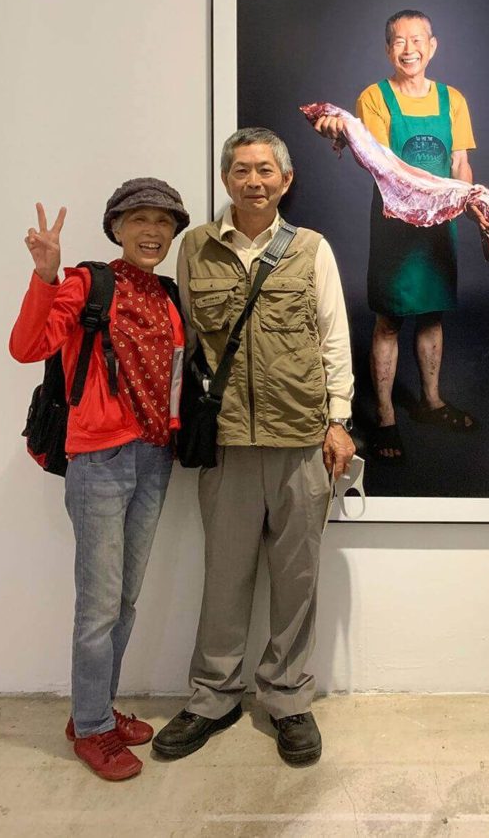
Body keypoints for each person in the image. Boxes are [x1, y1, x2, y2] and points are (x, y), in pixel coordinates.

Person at [153, 127, 354, 766]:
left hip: (302, 439)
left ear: (285, 180)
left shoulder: (312, 249)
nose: (254, 181)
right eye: (241, 170)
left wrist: (339, 419)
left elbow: (333, 337)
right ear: (226, 179)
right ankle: (213, 697)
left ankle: (288, 699)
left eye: (266, 170)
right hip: (227, 442)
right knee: (224, 577)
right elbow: (185, 345)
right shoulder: (195, 248)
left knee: (297, 579)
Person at [9, 179, 189, 781]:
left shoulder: (167, 295)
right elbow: (27, 346)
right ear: (116, 228)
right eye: (139, 219)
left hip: (154, 458)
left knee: (125, 600)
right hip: (99, 462)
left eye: (163, 221)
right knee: (98, 607)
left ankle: (96, 711)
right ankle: (91, 729)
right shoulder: (89, 283)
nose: (152, 231)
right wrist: (45, 276)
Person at [314, 9, 477, 463]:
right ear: (389, 50)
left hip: (440, 224)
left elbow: (460, 162)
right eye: (400, 41)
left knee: (432, 315)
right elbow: (384, 163)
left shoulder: (453, 99)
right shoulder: (375, 96)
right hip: (394, 223)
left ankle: (432, 401)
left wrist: (466, 197)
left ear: (433, 46)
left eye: (418, 39)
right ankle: (386, 415)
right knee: (389, 319)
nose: (410, 49)